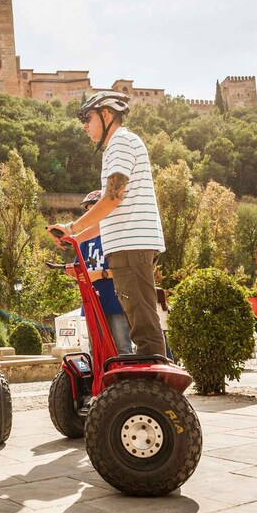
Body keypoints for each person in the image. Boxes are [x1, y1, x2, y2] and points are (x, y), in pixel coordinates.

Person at [47, 91, 167, 356]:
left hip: (132, 245)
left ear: (106, 114)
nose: (84, 125)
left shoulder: (120, 143)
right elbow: (108, 216)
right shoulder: (118, 146)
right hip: (128, 244)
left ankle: (153, 391)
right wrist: (73, 236)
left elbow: (112, 198)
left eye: (88, 117)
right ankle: (149, 387)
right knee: (140, 321)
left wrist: (73, 228)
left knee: (143, 326)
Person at [67, 190, 133, 355]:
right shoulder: (84, 240)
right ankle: (100, 381)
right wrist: (74, 273)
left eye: (94, 210)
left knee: (122, 347)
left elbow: (126, 269)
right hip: (92, 302)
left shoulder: (115, 235)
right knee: (96, 349)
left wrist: (100, 274)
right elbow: (80, 267)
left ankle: (126, 380)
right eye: (87, 211)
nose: (90, 214)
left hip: (116, 301)